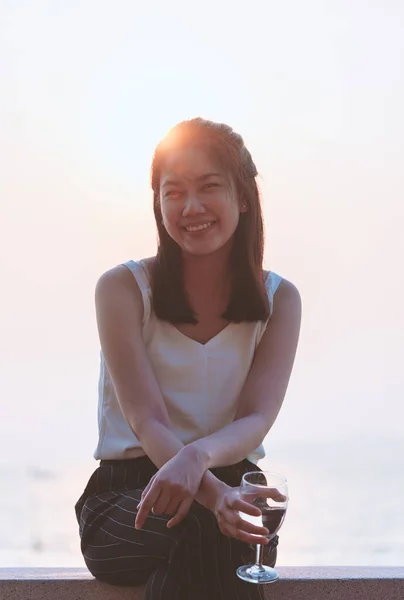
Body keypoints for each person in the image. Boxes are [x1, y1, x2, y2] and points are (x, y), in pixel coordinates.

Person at [75, 118, 302, 600]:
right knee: (210, 528)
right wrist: (213, 495)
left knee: (215, 533)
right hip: (125, 496)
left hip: (232, 482)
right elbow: (144, 418)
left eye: (208, 187)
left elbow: (257, 418)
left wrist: (200, 461)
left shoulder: (279, 300)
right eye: (172, 192)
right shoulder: (122, 289)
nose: (190, 207)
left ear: (242, 195)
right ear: (157, 204)